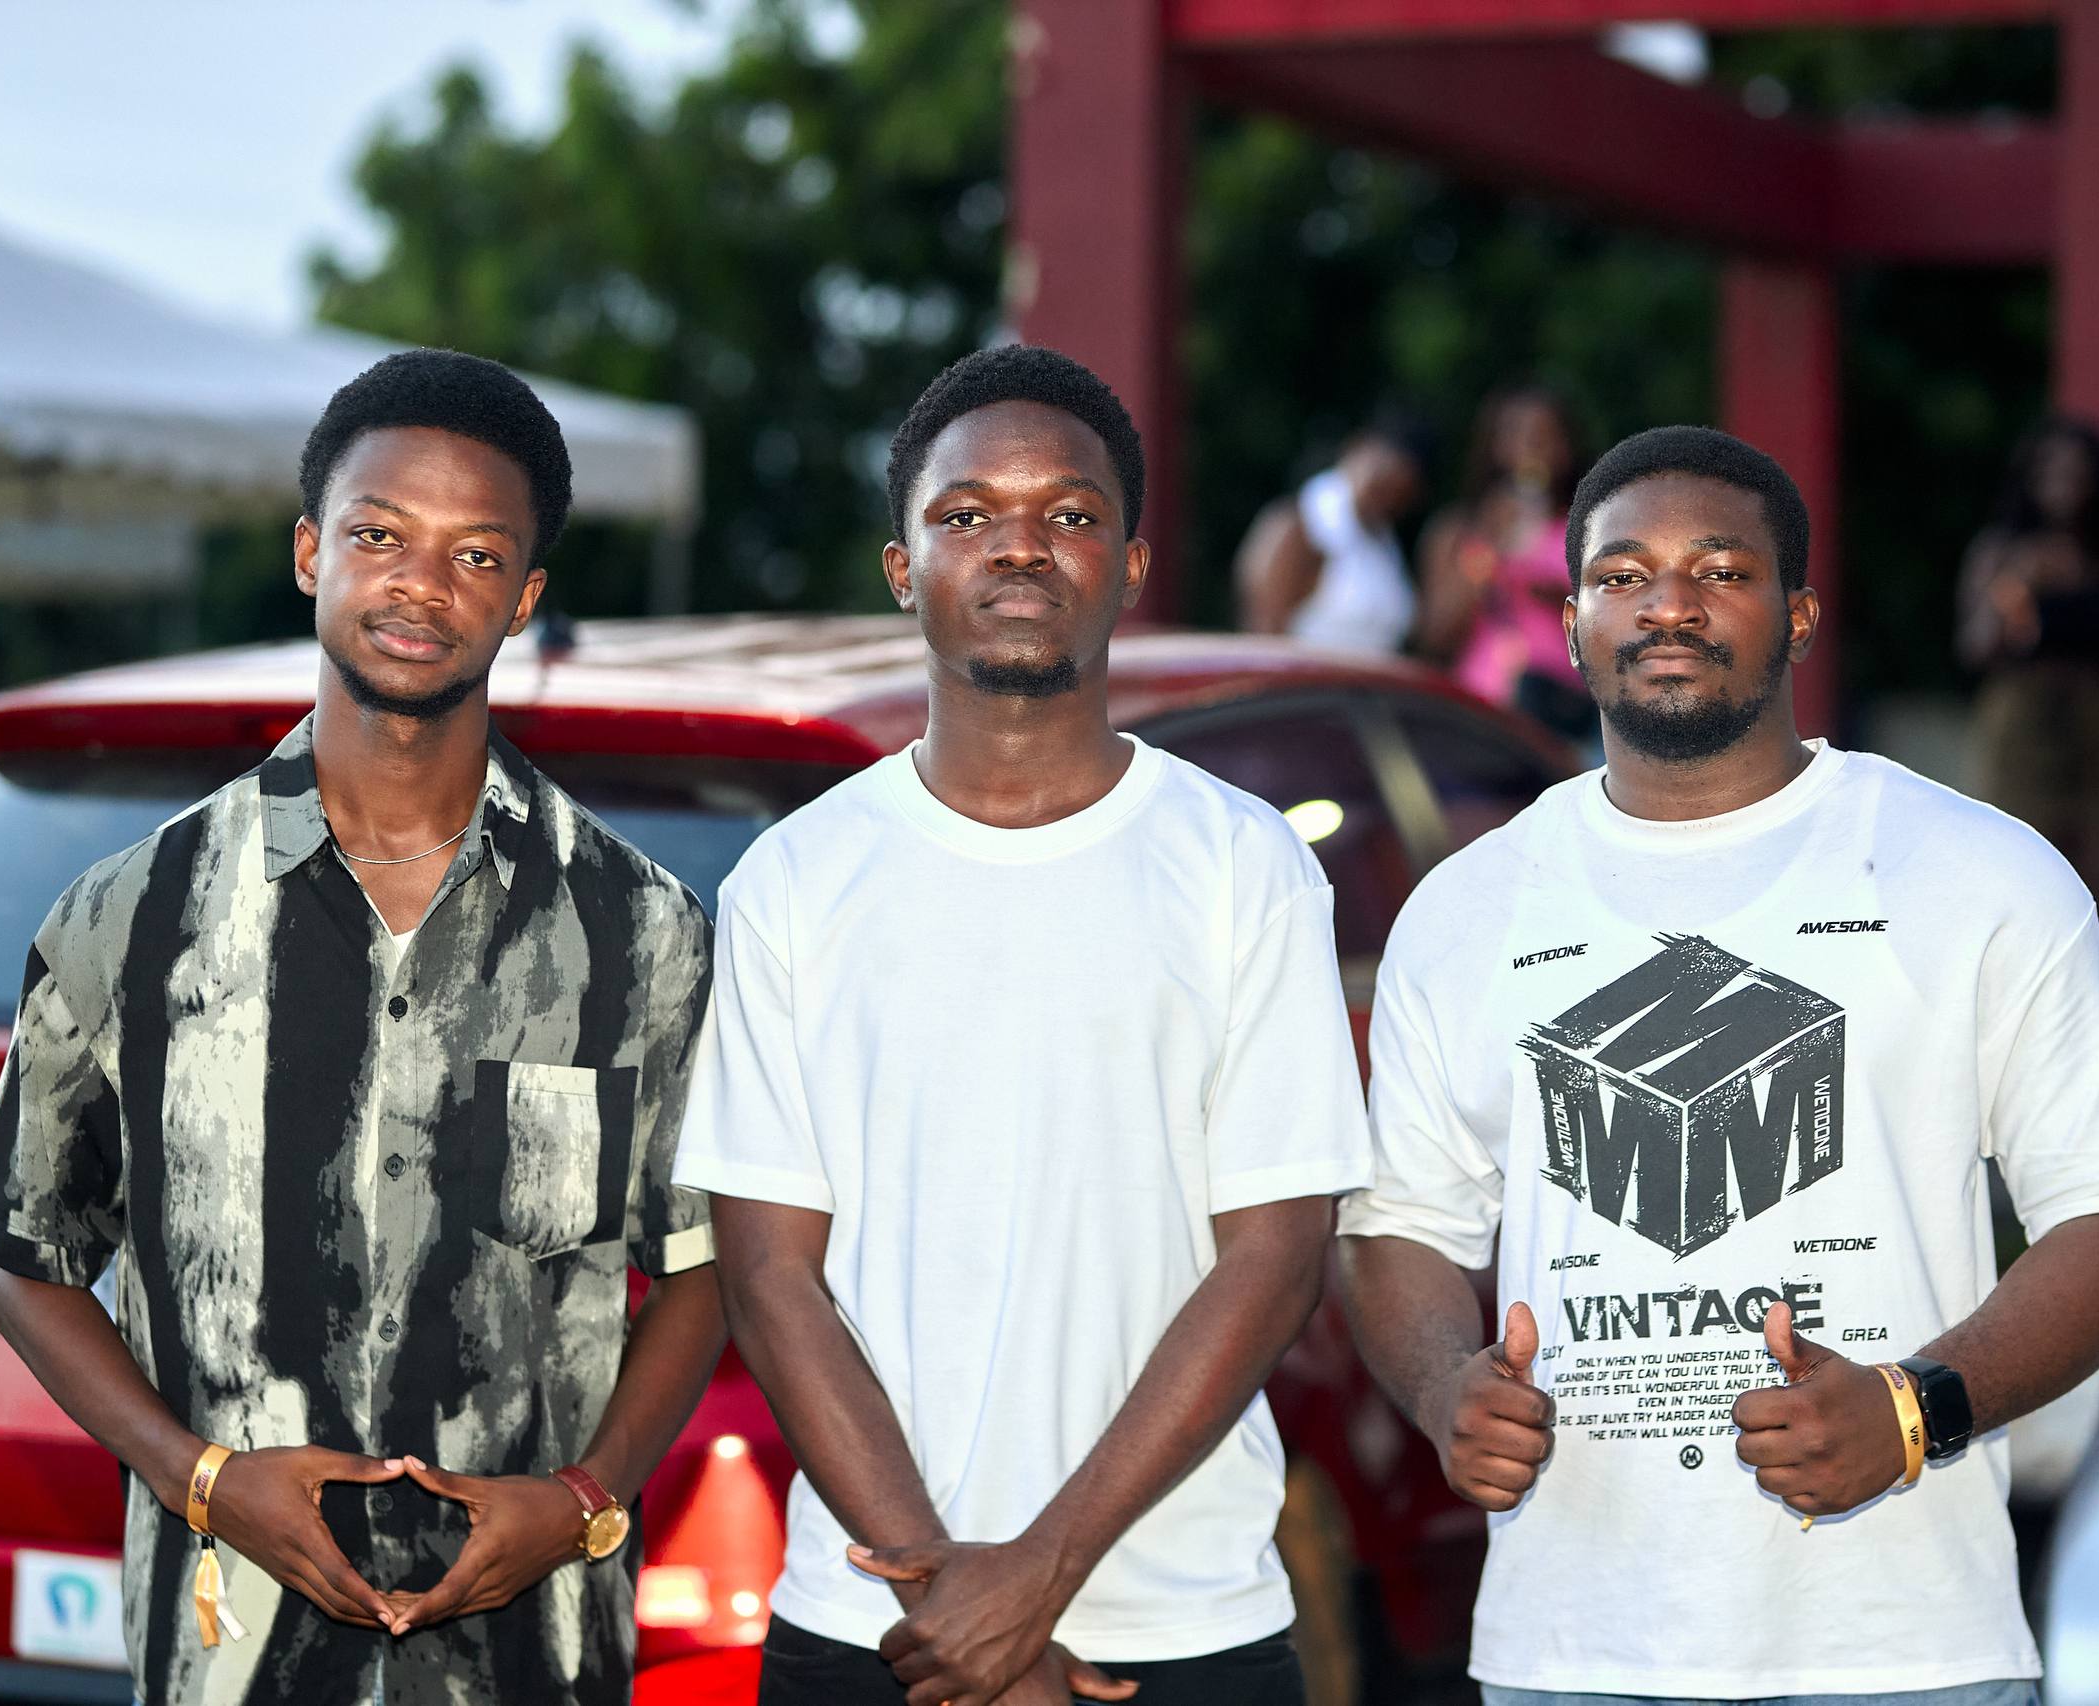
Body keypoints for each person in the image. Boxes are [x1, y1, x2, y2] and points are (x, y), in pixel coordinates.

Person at [1339, 425, 2099, 1706]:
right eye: (1622, 575)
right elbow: (1396, 1226)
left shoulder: (1977, 875)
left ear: (1797, 616)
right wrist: (1438, 1385)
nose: (1667, 604)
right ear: (1569, 623)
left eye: (1719, 570)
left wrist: (1914, 1408)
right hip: (1570, 1653)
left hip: (1904, 1653)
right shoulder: (1466, 909)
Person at [0, 350, 726, 1706]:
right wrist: (196, 1474)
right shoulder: (129, 917)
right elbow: (21, 1253)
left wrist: (586, 1498)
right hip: (223, 1651)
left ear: (524, 598)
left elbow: (709, 1262)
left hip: (535, 1662)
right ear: (310, 551)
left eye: (475, 554)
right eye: (378, 535)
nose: (420, 583)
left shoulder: (643, 929)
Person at [674, 345, 1370, 1706]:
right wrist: (953, 1602)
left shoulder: (1245, 864)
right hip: (874, 1621)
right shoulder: (794, 879)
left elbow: (1277, 1256)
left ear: (1132, 565)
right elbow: (768, 1276)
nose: (1018, 545)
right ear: (902, 567)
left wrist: (1037, 1575)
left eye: (1069, 512)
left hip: (1179, 1624)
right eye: (966, 513)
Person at [1956, 415, 2099, 941]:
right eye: (2053, 472)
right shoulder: (2002, 551)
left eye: (2078, 474)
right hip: (2025, 727)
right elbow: (1976, 646)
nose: (2065, 486)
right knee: (2023, 878)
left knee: (2098, 895)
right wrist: (2019, 583)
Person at [1418, 387, 1595, 747]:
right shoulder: (1461, 530)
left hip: (1568, 715)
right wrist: (1488, 543)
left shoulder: (1591, 529)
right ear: (1493, 446)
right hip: (1484, 713)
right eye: (1517, 434)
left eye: (1545, 436)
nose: (1531, 447)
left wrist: (1562, 598)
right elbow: (1434, 636)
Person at [1234, 412, 1431, 652]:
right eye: (1382, 484)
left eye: (1399, 496)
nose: (1388, 501)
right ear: (1358, 448)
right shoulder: (1295, 528)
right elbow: (1263, 632)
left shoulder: (1385, 547)